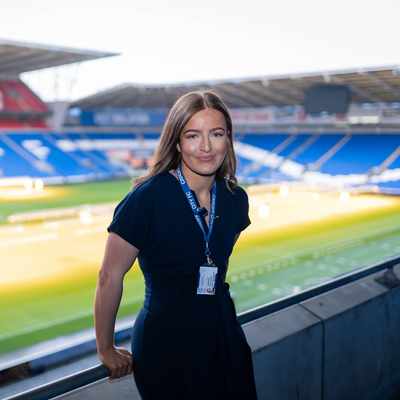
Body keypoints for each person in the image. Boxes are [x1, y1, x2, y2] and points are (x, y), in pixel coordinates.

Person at [94, 90, 258, 399]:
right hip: (165, 341)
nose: (206, 147)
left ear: (229, 139)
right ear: (177, 142)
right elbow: (109, 276)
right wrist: (105, 347)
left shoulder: (237, 199)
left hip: (223, 333)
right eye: (193, 135)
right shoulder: (146, 199)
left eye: (217, 134)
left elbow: (215, 261)